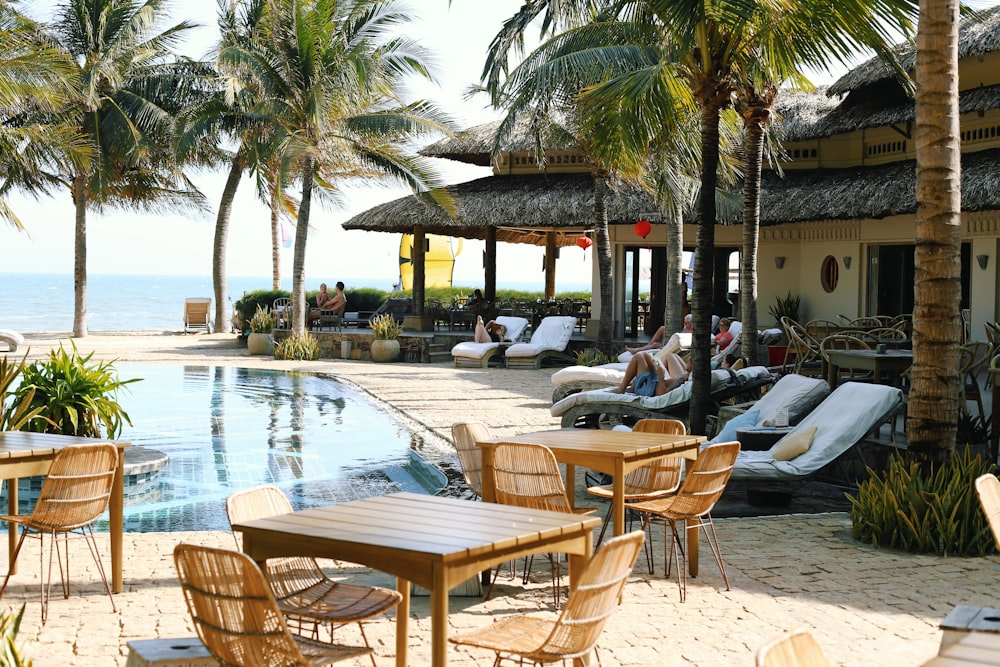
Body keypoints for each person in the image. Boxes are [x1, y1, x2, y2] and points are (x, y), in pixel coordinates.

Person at [610, 351, 689, 397]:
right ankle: (633, 387)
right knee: (646, 355)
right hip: (655, 384)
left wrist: (660, 376)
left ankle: (622, 388)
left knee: (638, 357)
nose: (687, 360)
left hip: (650, 390)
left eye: (689, 361)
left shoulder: (683, 379)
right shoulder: (686, 375)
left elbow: (661, 394)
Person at [624, 314, 692, 356]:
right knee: (662, 328)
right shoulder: (686, 328)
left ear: (692, 323)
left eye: (687, 323)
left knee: (655, 345)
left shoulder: (692, 332)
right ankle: (648, 345)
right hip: (672, 345)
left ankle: (635, 350)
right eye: (684, 322)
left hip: (674, 350)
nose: (685, 324)